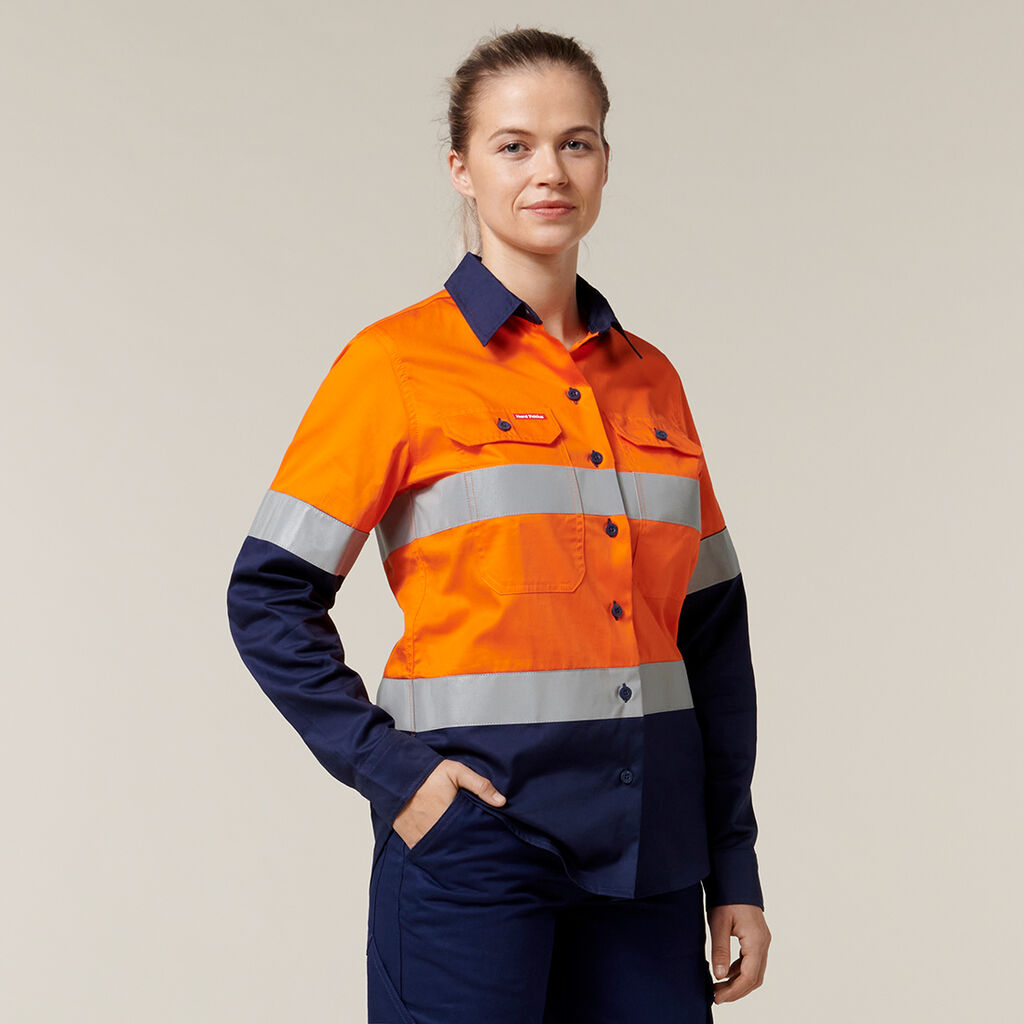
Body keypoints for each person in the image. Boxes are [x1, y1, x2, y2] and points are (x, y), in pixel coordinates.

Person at [227, 26, 771, 1024]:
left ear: (604, 161)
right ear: (461, 169)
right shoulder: (393, 366)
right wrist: (396, 777)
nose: (548, 171)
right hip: (473, 847)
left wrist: (731, 860)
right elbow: (268, 594)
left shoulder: (652, 380)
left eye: (575, 142)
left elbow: (711, 637)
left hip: (651, 858)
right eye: (513, 145)